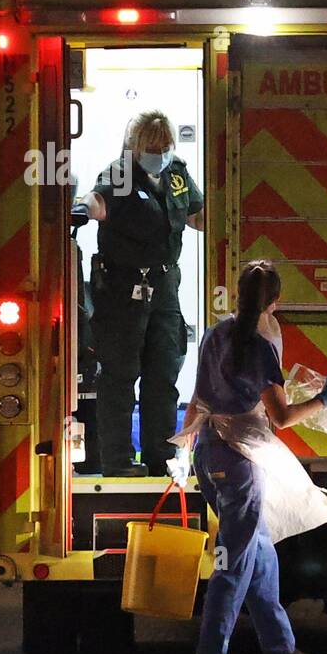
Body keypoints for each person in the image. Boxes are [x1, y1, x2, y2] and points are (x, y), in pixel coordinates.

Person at [176, 260, 327, 654]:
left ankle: (281, 652)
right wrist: (325, 399)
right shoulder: (261, 346)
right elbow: (283, 417)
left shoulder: (215, 334)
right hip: (243, 458)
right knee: (233, 560)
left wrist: (184, 449)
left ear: (238, 294)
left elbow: (197, 398)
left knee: (260, 553)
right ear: (276, 302)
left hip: (210, 451)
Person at [74, 110, 203, 477]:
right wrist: (85, 208)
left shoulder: (176, 174)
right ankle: (117, 461)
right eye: (151, 147)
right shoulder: (118, 174)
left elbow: (196, 214)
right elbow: (99, 201)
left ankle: (160, 457)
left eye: (164, 146)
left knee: (163, 375)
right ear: (135, 146)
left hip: (163, 289)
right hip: (121, 291)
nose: (159, 153)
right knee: (119, 376)